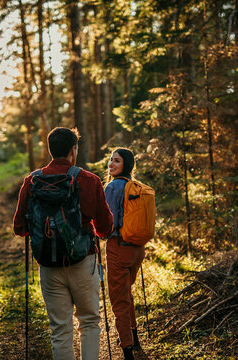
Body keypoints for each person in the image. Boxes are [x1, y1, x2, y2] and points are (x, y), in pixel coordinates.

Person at [13, 127, 113, 360]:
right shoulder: (89, 180)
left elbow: (19, 228)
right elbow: (105, 227)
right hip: (83, 261)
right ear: (73, 150)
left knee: (60, 330)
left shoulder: (32, 180)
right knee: (89, 322)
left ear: (50, 149)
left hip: (48, 265)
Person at [104, 148, 145, 360]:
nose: (111, 164)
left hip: (118, 248)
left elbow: (107, 222)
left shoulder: (112, 187)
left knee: (119, 299)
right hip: (137, 249)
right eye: (111, 160)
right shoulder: (136, 186)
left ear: (126, 165)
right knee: (126, 292)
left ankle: (127, 349)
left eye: (117, 161)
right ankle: (134, 336)